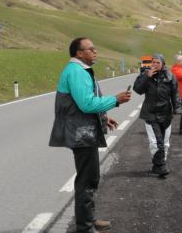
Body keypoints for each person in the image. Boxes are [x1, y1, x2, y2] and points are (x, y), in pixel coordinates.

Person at [49, 37, 132, 233]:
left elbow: (84, 102)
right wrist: (115, 100)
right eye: (91, 49)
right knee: (87, 180)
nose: (95, 52)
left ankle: (89, 220)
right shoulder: (77, 72)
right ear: (79, 53)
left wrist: (103, 117)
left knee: (90, 177)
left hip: (83, 130)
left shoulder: (79, 70)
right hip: (81, 133)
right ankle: (85, 227)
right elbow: (86, 104)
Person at [133, 53, 181, 177]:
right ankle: (161, 166)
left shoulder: (170, 76)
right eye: (153, 62)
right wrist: (146, 77)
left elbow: (175, 92)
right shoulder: (146, 74)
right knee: (155, 142)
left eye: (157, 62)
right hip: (150, 113)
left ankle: (158, 165)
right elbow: (137, 89)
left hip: (166, 114)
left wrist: (177, 106)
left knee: (165, 143)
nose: (154, 64)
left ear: (163, 64)